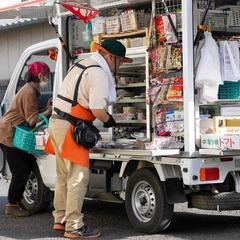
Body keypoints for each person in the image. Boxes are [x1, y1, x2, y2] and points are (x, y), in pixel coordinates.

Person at [47, 39, 132, 239]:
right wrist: (110, 120)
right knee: (78, 178)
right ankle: (74, 226)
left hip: (57, 122)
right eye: (119, 61)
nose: (118, 67)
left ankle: (60, 220)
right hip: (71, 127)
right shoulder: (99, 73)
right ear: (110, 57)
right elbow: (96, 109)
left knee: (63, 176)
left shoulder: (80, 65)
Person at [0, 61, 52, 217]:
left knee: (29, 164)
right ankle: (11, 205)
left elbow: (29, 114)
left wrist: (44, 109)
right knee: (20, 171)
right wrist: (48, 112)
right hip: (8, 134)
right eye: (47, 76)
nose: (47, 79)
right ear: (40, 75)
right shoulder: (29, 92)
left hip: (12, 132)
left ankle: (16, 202)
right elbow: (32, 120)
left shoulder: (30, 89)